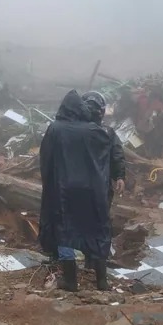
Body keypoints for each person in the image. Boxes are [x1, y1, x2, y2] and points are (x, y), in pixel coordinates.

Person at [39, 90, 114, 292]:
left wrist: (49, 183)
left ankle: (71, 281)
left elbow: (46, 160)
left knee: (65, 231)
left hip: (64, 189)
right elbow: (105, 158)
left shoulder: (55, 129)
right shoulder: (95, 131)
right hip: (92, 190)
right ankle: (102, 281)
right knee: (97, 229)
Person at [82, 91, 126, 283]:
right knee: (99, 224)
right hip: (100, 186)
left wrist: (119, 176)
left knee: (80, 222)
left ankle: (85, 261)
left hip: (80, 185)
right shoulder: (107, 132)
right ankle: (97, 266)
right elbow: (117, 155)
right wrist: (119, 176)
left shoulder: (75, 131)